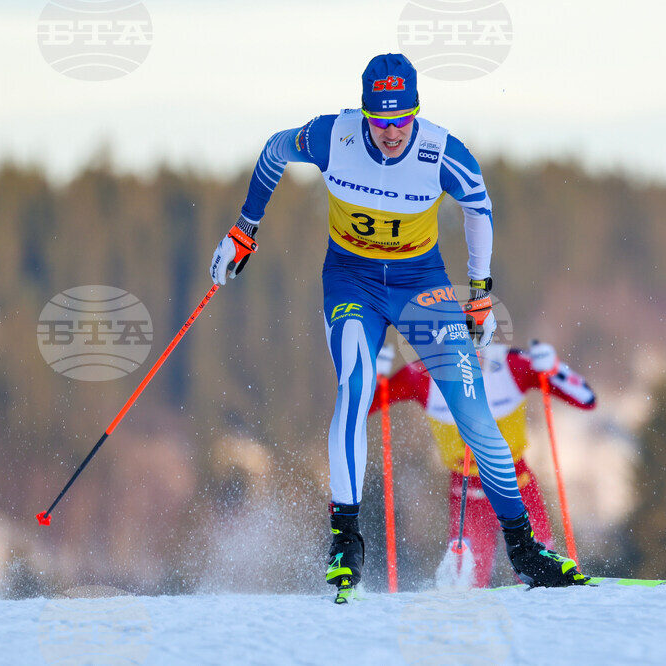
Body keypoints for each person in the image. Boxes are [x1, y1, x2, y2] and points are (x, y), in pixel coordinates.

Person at [209, 53, 587, 594]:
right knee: (356, 388)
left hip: (421, 286)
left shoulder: (440, 151)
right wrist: (245, 227)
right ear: (365, 114)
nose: (391, 132)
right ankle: (345, 539)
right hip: (352, 282)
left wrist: (480, 292)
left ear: (416, 111)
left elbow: (479, 209)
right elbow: (273, 151)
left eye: (402, 119)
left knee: (471, 404)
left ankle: (525, 550)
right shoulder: (332, 137)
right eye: (381, 120)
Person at [372, 340, 596, 587]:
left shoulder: (511, 366)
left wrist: (553, 369)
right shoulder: (422, 376)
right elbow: (366, 404)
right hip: (467, 490)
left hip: (516, 482)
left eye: (473, 346)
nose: (468, 359)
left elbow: (586, 399)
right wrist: (373, 375)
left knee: (543, 574)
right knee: (467, 582)